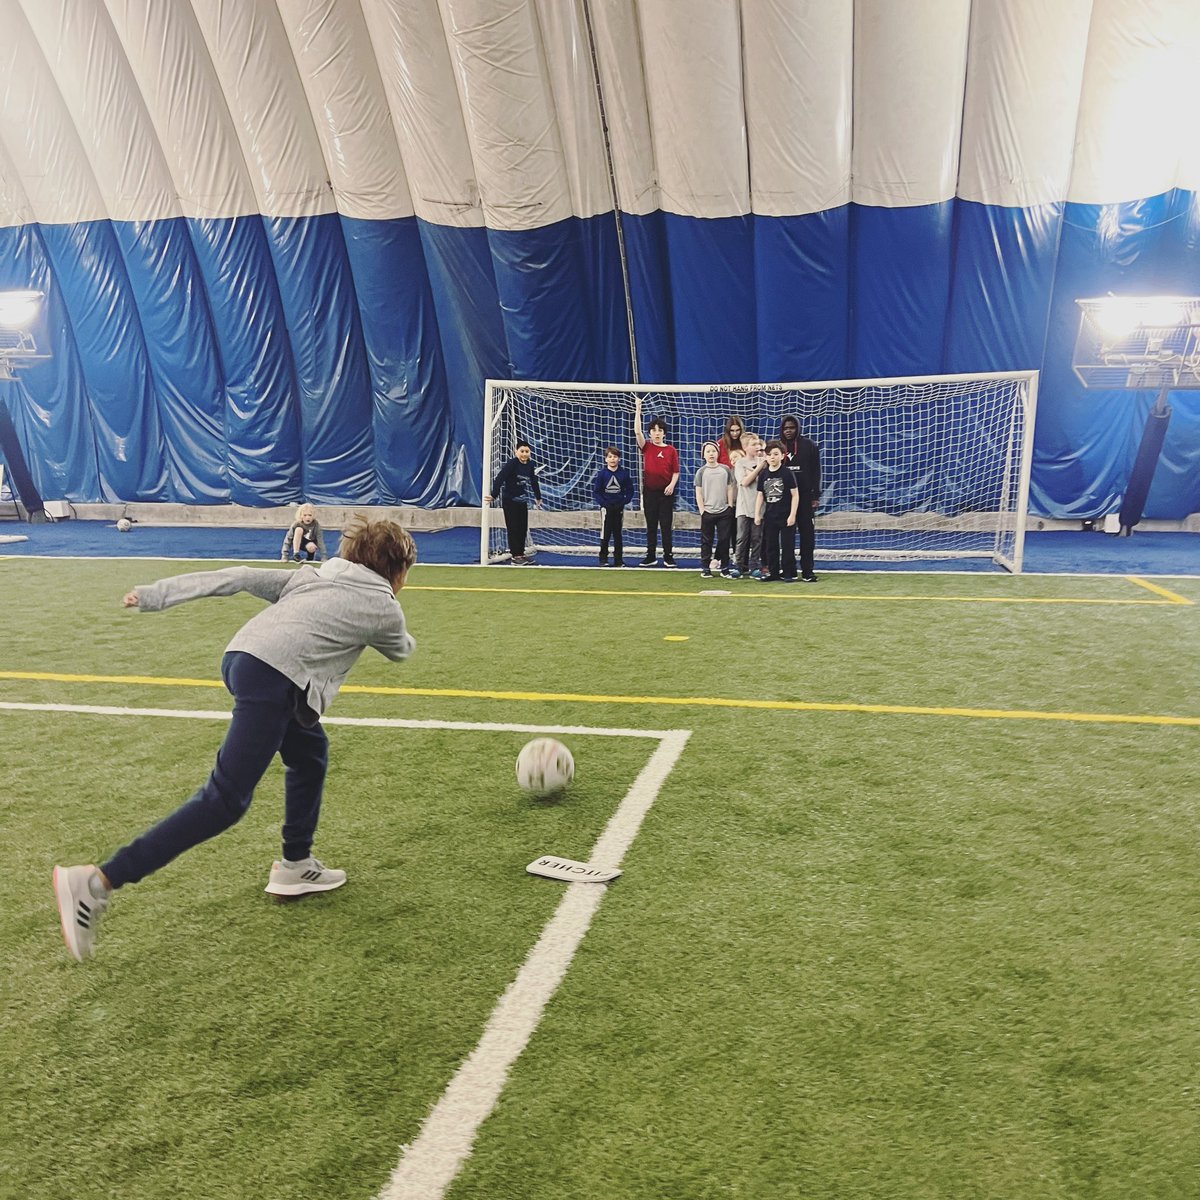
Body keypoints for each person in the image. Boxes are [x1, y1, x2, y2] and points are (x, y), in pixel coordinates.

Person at [52, 515, 418, 963]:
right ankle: (96, 881)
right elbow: (400, 650)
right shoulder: (384, 607)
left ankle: (296, 865)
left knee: (309, 752)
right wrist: (401, 631)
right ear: (397, 572)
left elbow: (239, 577)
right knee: (225, 801)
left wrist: (154, 595)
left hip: (243, 657)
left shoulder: (310, 578)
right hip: (275, 676)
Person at [634, 397, 680, 567]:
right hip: (649, 492)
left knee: (666, 525)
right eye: (653, 430)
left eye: (660, 430)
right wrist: (638, 409)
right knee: (651, 524)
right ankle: (651, 555)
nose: (657, 433)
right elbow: (637, 432)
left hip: (666, 493)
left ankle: (668, 555)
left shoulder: (671, 450)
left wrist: (671, 485)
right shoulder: (646, 446)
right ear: (650, 433)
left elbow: (676, 472)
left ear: (664, 433)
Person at [484, 440, 543, 564]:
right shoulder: (512, 464)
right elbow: (500, 478)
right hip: (509, 501)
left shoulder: (530, 465)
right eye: (522, 451)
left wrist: (538, 497)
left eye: (527, 451)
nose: (524, 454)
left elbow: (533, 481)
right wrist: (494, 495)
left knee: (522, 528)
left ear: (530, 452)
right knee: (513, 528)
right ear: (516, 452)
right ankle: (515, 556)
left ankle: (520, 554)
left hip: (522, 501)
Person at [778, 414, 821, 582]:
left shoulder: (809, 445)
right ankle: (789, 570)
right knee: (787, 537)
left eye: (792, 428)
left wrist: (815, 495)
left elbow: (816, 472)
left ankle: (808, 571)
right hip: (784, 500)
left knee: (807, 536)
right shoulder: (778, 447)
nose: (788, 431)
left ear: (798, 428)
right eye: (785, 428)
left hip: (805, 499)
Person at [755, 439, 799, 582]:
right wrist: (757, 514)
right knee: (771, 546)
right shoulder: (763, 475)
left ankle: (788, 573)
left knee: (787, 545)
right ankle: (773, 572)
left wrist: (792, 515)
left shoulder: (787, 473)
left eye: (775, 454)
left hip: (786, 516)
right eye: (769, 454)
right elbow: (760, 495)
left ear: (782, 456)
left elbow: (795, 495)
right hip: (770, 516)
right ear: (766, 457)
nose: (772, 457)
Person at [694, 441, 737, 578]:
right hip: (708, 512)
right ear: (703, 455)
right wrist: (702, 510)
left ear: (718, 453)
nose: (711, 454)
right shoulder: (701, 472)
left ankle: (725, 568)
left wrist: (730, 505)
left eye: (713, 451)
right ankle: (705, 568)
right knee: (706, 541)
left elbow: (730, 487)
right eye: (708, 451)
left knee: (724, 540)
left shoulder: (725, 469)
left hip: (724, 511)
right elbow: (698, 492)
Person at [591, 446, 635, 566]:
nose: (612, 459)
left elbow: (630, 490)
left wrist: (623, 502)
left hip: (619, 508)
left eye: (615, 457)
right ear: (606, 459)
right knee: (605, 534)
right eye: (610, 457)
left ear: (619, 459)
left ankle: (618, 559)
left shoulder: (624, 474)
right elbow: (596, 492)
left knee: (618, 534)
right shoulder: (602, 474)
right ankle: (603, 558)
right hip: (606, 509)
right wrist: (604, 504)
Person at [734, 431, 767, 579]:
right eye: (754, 444)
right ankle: (739, 567)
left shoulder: (765, 462)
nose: (757, 447)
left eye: (759, 444)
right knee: (742, 538)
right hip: (743, 507)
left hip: (759, 507)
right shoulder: (740, 463)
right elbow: (745, 482)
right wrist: (757, 469)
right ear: (746, 447)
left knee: (756, 538)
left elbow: (762, 481)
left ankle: (755, 566)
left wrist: (756, 469)